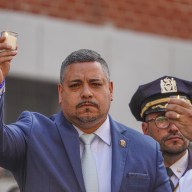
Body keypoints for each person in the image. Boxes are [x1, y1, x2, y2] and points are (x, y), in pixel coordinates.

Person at [0, 36, 171, 192]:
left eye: (95, 84)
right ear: (61, 92)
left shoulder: (147, 150)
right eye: (75, 85)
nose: (86, 93)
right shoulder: (33, 134)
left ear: (110, 90)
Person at [129, 76, 192, 192]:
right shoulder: (131, 174)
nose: (174, 128)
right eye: (162, 119)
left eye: (180, 119)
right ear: (145, 129)